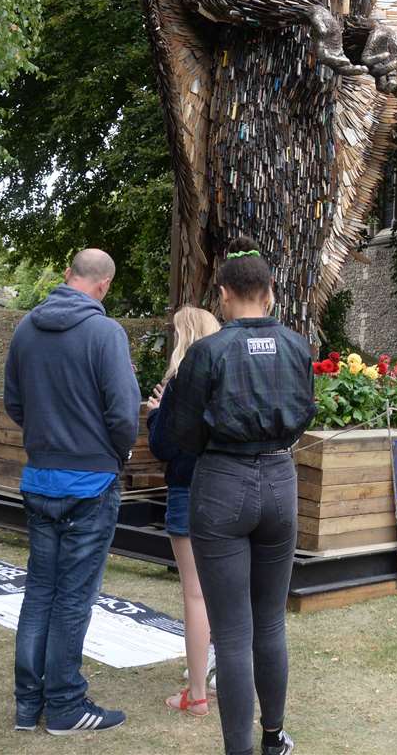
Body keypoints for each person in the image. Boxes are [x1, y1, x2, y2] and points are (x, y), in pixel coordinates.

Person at [162, 237, 315, 755]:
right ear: (270, 292)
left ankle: (241, 750)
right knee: (269, 621)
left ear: (224, 295)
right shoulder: (297, 346)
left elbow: (183, 433)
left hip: (222, 484)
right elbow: (305, 412)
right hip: (279, 478)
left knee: (232, 632)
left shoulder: (207, 352)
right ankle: (273, 737)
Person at [4, 248, 141, 735]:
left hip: (40, 476)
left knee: (40, 590)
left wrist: (48, 436)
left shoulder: (25, 329)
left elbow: (15, 404)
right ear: (103, 286)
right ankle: (63, 705)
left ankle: (28, 704)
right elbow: (125, 415)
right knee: (73, 597)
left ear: (68, 275)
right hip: (91, 481)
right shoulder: (105, 333)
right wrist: (114, 453)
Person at [146, 304, 222, 716]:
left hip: (187, 490)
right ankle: (226, 673)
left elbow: (163, 447)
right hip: (229, 491)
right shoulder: (227, 379)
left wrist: (155, 416)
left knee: (195, 594)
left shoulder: (179, 384)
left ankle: (196, 694)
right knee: (229, 593)